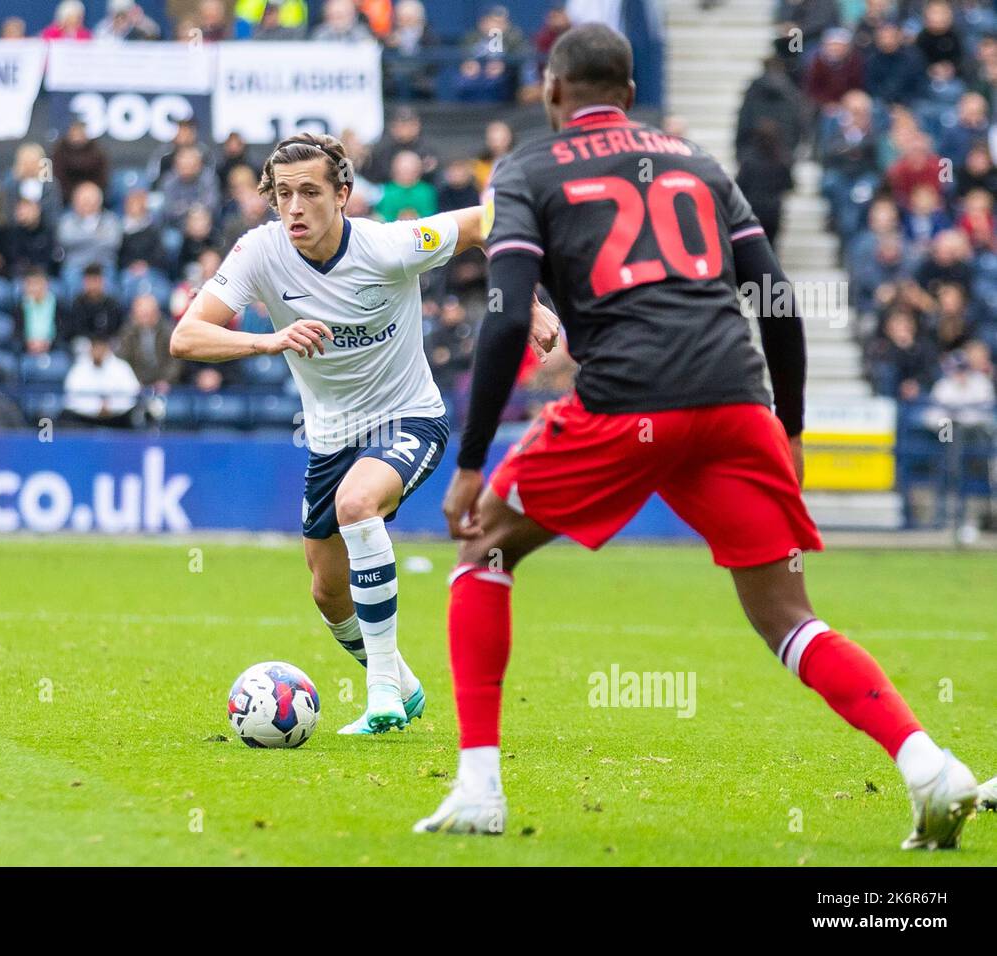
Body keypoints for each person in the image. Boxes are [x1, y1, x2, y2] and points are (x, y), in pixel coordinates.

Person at [416, 23, 981, 851]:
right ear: (632, 96)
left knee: (483, 551)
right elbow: (778, 297)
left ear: (550, 91)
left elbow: (504, 321)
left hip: (623, 402)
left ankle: (477, 788)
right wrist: (787, 427)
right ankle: (929, 766)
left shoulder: (529, 168)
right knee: (788, 617)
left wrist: (470, 463)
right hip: (732, 400)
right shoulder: (698, 164)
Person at [171, 132, 559, 735]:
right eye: (282, 194)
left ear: (343, 194)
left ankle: (379, 693)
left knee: (358, 506)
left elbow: (491, 221)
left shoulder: (389, 245)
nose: (293, 207)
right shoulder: (258, 252)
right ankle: (402, 685)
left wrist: (526, 301)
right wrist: (267, 339)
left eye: (309, 192)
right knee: (327, 591)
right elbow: (186, 337)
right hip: (330, 437)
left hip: (408, 417)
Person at [61, 333, 139, 428]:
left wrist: (111, 407)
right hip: (84, 420)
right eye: (95, 348)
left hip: (118, 420)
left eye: (101, 348)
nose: (98, 351)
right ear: (90, 349)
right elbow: (71, 396)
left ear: (107, 348)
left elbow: (133, 393)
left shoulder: (121, 367)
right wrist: (96, 408)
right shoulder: (79, 368)